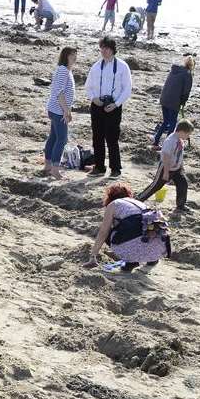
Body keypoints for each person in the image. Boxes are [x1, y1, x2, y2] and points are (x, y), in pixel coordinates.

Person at [85, 183, 171, 272]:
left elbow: (103, 232)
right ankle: (151, 260)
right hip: (159, 250)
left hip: (134, 247)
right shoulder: (139, 203)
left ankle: (130, 262)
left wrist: (93, 255)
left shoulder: (113, 204)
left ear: (109, 196)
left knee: (109, 231)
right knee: (144, 228)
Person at [86, 37, 133, 178]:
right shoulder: (96, 66)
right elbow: (88, 86)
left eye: (106, 48)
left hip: (114, 106)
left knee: (112, 138)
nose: (104, 51)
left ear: (113, 49)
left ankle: (115, 168)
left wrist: (116, 104)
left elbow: (127, 88)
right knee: (97, 137)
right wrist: (94, 98)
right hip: (97, 105)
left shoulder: (122, 66)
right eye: (102, 48)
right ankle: (99, 167)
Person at [137, 120, 192, 212]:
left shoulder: (180, 139)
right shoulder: (170, 141)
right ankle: (138, 200)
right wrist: (166, 172)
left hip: (177, 168)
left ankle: (181, 205)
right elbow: (166, 157)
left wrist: (181, 166)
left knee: (183, 184)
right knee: (156, 186)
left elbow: (179, 154)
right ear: (182, 132)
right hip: (166, 168)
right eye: (188, 134)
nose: (189, 136)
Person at [44, 47, 77, 179]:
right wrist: (66, 110)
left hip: (55, 109)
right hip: (58, 110)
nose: (75, 57)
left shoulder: (65, 70)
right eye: (72, 55)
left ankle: (48, 165)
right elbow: (59, 93)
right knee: (62, 139)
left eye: (75, 54)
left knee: (53, 137)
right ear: (66, 56)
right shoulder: (63, 70)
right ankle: (55, 169)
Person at [153, 56, 194, 147]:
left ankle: (156, 140)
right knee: (172, 123)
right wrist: (183, 101)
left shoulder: (175, 70)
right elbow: (186, 91)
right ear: (191, 66)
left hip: (164, 98)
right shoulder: (187, 74)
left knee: (166, 121)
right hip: (173, 101)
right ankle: (167, 144)